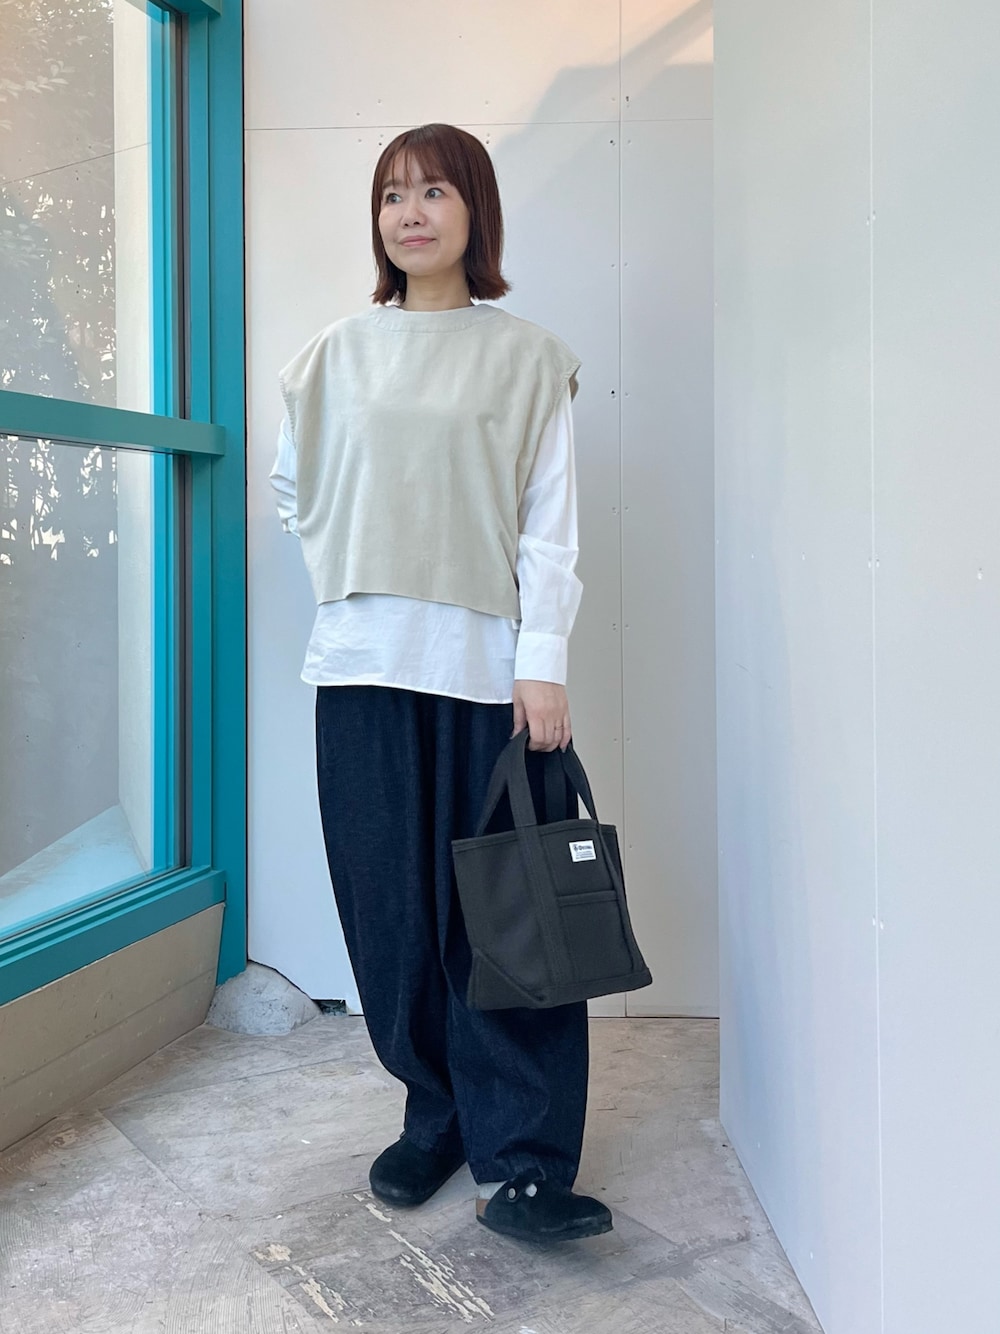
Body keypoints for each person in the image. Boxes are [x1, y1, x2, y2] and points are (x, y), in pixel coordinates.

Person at [269, 122, 611, 1243]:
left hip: (486, 675)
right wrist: (358, 565)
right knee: (391, 918)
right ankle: (437, 1113)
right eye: (391, 195)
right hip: (360, 666)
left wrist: (541, 662)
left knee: (511, 922)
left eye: (433, 192)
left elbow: (550, 526)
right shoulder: (332, 355)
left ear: (475, 210)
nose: (409, 213)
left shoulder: (528, 357)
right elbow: (293, 489)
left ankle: (526, 1160)